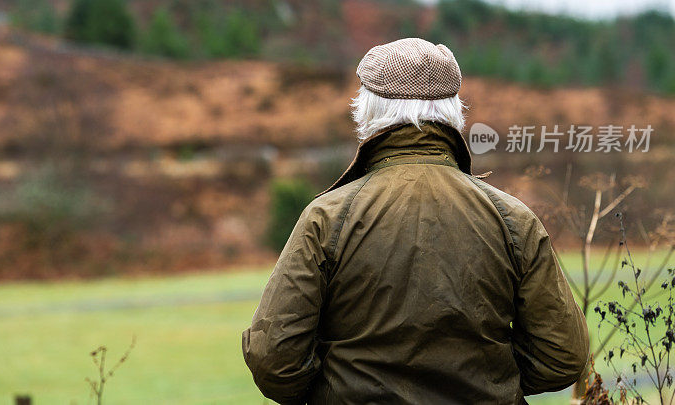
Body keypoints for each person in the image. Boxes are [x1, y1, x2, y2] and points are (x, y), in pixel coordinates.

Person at [242, 38, 589, 404]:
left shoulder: (327, 219)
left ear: (365, 112)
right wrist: (493, 381)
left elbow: (274, 360)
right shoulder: (513, 220)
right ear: (456, 113)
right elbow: (563, 355)